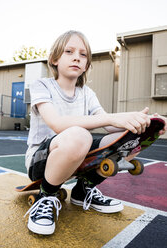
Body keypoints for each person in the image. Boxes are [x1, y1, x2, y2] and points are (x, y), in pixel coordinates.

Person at [24, 30, 167, 235]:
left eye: (83, 55)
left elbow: (110, 127)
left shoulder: (87, 93)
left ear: (86, 65)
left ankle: (83, 191)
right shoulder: (42, 85)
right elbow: (57, 123)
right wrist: (111, 118)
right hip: (41, 161)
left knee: (133, 136)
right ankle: (46, 196)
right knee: (80, 134)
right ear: (54, 59)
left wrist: (145, 121)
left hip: (77, 152)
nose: (77, 57)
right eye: (69, 51)